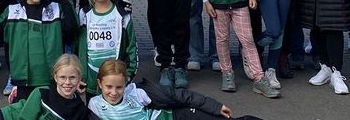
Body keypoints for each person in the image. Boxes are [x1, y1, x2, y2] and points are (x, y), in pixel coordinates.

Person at [0, 0, 78, 101]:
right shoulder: (12, 11)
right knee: (26, 111)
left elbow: (72, 29)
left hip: (51, 79)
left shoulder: (55, 9)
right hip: (23, 80)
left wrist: (65, 1)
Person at [90, 59, 250, 120]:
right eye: (109, 87)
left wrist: (214, 106)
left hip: (174, 117)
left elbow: (179, 95)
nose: (114, 92)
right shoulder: (94, 105)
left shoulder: (137, 92)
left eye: (119, 87)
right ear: (99, 84)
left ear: (126, 83)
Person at [0, 54, 90, 120]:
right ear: (55, 77)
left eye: (72, 77)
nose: (67, 82)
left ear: (80, 78)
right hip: (6, 117)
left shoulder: (79, 108)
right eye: (62, 77)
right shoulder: (42, 92)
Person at [75, 0, 137, 93]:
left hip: (114, 84)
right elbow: (76, 46)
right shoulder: (83, 15)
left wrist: (128, 75)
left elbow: (132, 48)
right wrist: (77, 75)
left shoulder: (122, 17)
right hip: (90, 82)